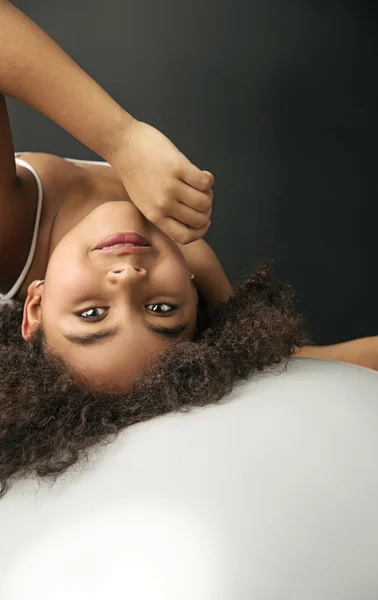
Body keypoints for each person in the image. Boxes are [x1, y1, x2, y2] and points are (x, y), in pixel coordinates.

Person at [0, 0, 375, 497]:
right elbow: (318, 362)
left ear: (36, 306)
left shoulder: (7, 241)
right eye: (159, 309)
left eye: (92, 315)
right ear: (195, 306)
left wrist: (122, 138)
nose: (129, 281)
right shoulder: (199, 292)